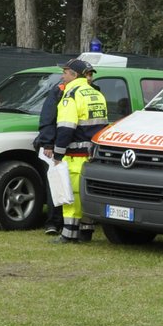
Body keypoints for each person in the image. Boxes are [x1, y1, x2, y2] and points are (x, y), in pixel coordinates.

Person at [50, 58, 108, 243]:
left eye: (65, 72)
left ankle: (69, 234)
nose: (62, 76)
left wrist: (58, 154)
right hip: (92, 156)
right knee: (86, 194)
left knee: (71, 195)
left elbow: (66, 128)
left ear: (74, 75)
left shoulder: (71, 95)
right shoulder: (97, 94)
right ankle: (86, 231)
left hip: (74, 155)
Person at [34, 61, 77, 235]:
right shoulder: (59, 90)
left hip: (77, 148)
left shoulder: (90, 92)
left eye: (65, 72)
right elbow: (48, 118)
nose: (62, 76)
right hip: (58, 146)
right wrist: (48, 143)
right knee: (56, 184)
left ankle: (72, 223)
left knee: (73, 187)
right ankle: (53, 222)